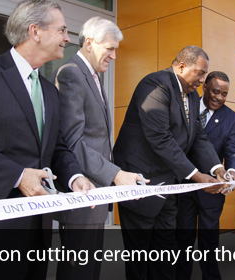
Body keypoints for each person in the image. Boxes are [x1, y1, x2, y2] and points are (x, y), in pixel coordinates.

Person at [0, 1, 95, 279]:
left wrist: (74, 178)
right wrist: (18, 175)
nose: (68, 39)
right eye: (62, 30)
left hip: (37, 229)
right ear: (35, 31)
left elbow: (56, 147)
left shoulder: (49, 90)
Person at [113, 45, 228, 280]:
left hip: (168, 187)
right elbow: (160, 138)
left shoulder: (193, 97)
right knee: (140, 255)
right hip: (140, 184)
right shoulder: (155, 85)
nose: (201, 80)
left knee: (165, 251)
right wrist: (196, 175)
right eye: (199, 73)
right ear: (182, 66)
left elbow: (198, 136)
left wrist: (218, 168)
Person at [51, 16, 142, 280]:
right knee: (78, 269)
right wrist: (115, 174)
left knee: (89, 267)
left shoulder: (92, 76)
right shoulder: (71, 73)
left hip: (96, 192)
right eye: (109, 48)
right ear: (89, 42)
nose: (114, 56)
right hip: (83, 192)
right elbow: (72, 141)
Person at [176, 71, 235, 280]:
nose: (219, 98)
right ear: (204, 87)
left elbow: (233, 150)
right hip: (183, 185)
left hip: (212, 190)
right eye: (215, 92)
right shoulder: (186, 106)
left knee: (209, 240)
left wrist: (231, 172)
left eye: (224, 94)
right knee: (182, 238)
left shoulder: (232, 119)